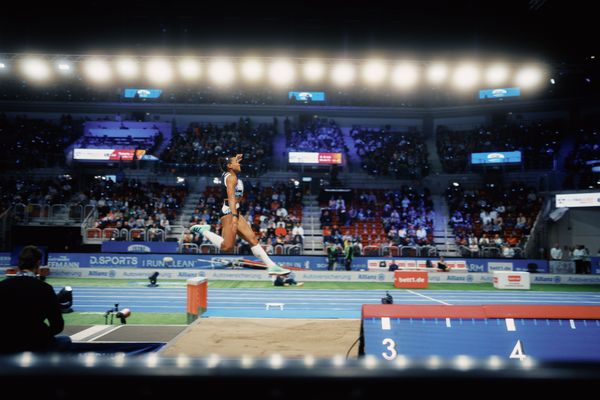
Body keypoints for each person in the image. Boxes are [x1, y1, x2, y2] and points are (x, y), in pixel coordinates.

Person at [191, 154, 289, 275]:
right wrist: (235, 217)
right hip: (229, 212)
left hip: (234, 210)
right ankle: (204, 231)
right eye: (236, 162)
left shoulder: (232, 174)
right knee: (227, 247)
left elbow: (228, 166)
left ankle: (272, 266)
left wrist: (236, 159)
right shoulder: (230, 178)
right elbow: (231, 198)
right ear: (230, 166)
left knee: (252, 239)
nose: (239, 164)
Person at [0, 245, 71, 354]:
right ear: (38, 264)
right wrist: (40, 334)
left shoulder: (3, 286)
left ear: (19, 264)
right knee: (65, 340)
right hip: (37, 343)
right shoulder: (45, 288)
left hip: (7, 343)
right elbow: (57, 326)